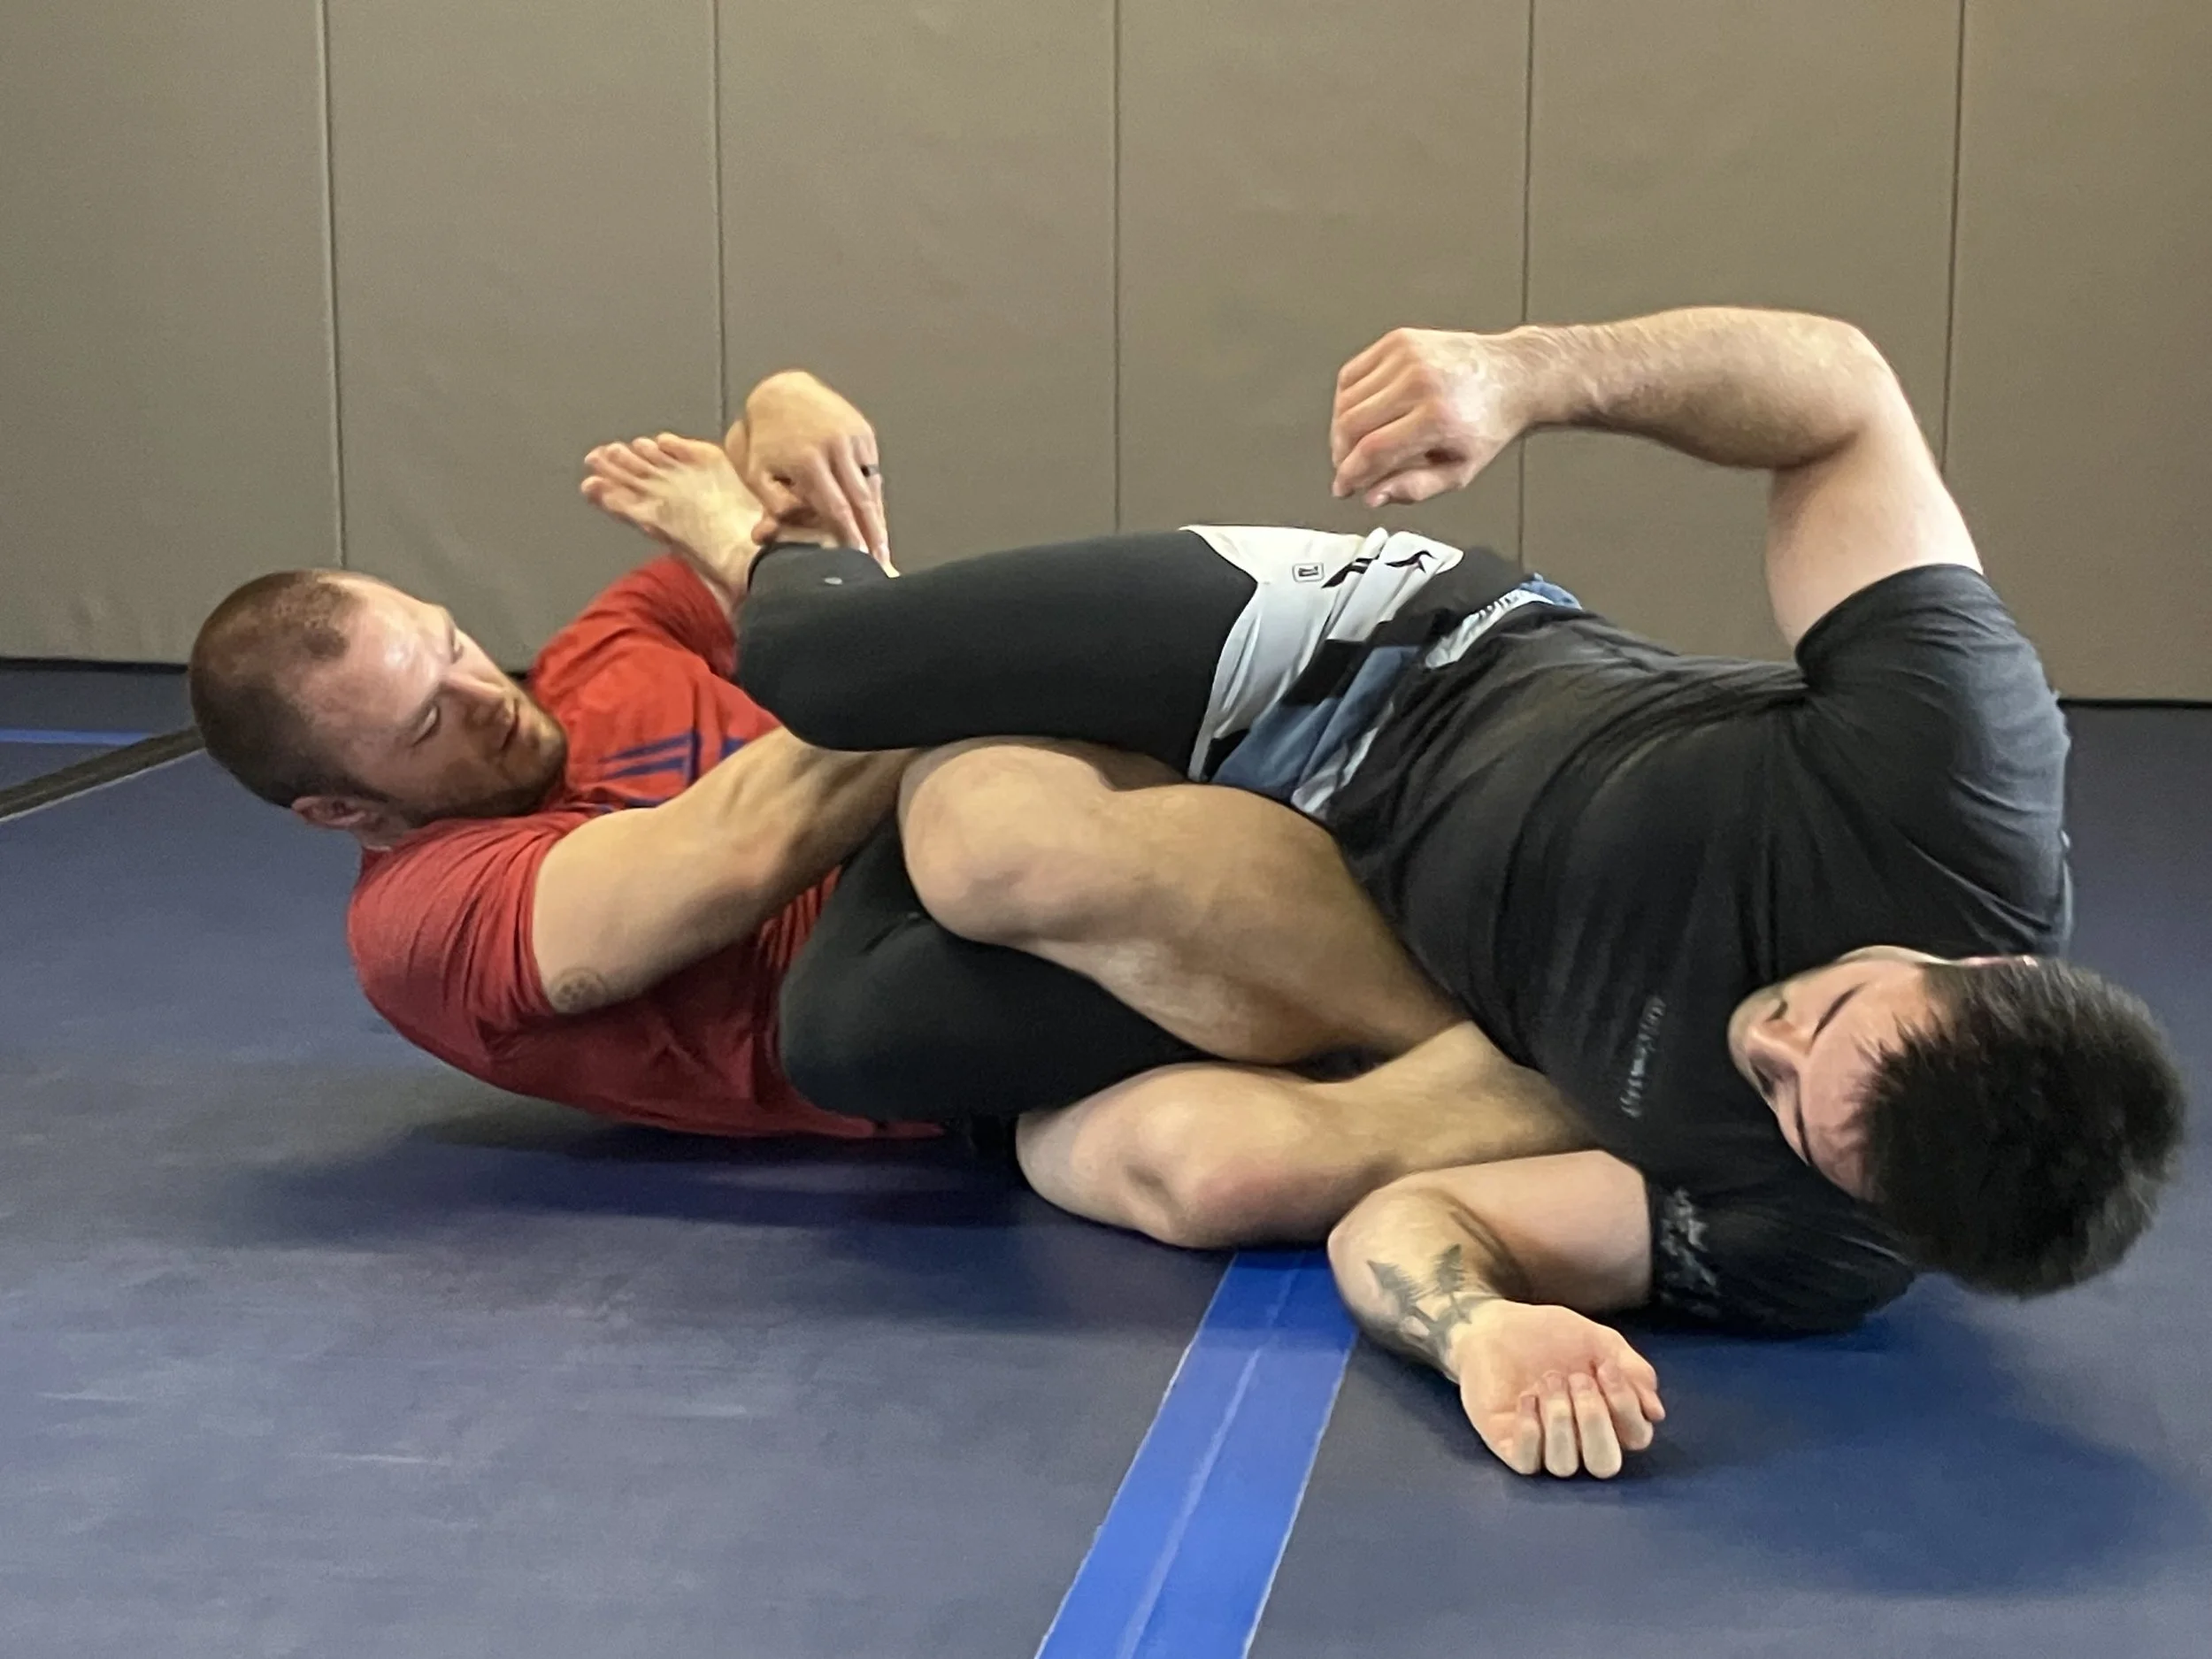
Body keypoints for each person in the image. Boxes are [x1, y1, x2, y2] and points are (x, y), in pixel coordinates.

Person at [690, 305, 2184, 1480]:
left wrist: (1482, 1334)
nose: (1763, 1041)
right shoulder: (1958, 785)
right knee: (815, 663)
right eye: (1830, 1008)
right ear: (1985, 965)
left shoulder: (1818, 1241)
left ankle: (989, 758)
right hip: (1370, 661)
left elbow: (1419, 1223)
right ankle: (802, 561)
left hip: (1340, 916)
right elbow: (1845, 396)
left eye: (1789, 1108)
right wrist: (1525, 375)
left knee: (848, 1035)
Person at [185, 370, 1577, 1216]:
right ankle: (1560, 1076)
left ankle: (1510, 1013)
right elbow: (743, 845)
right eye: (430, 720)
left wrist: (780, 405)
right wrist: (850, 632)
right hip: (944, 1055)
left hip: (991, 829)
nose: (483, 690)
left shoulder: (603, 652)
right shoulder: (419, 926)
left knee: (990, 832)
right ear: (343, 809)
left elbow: (802, 534)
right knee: (1207, 1173)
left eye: (448, 641)